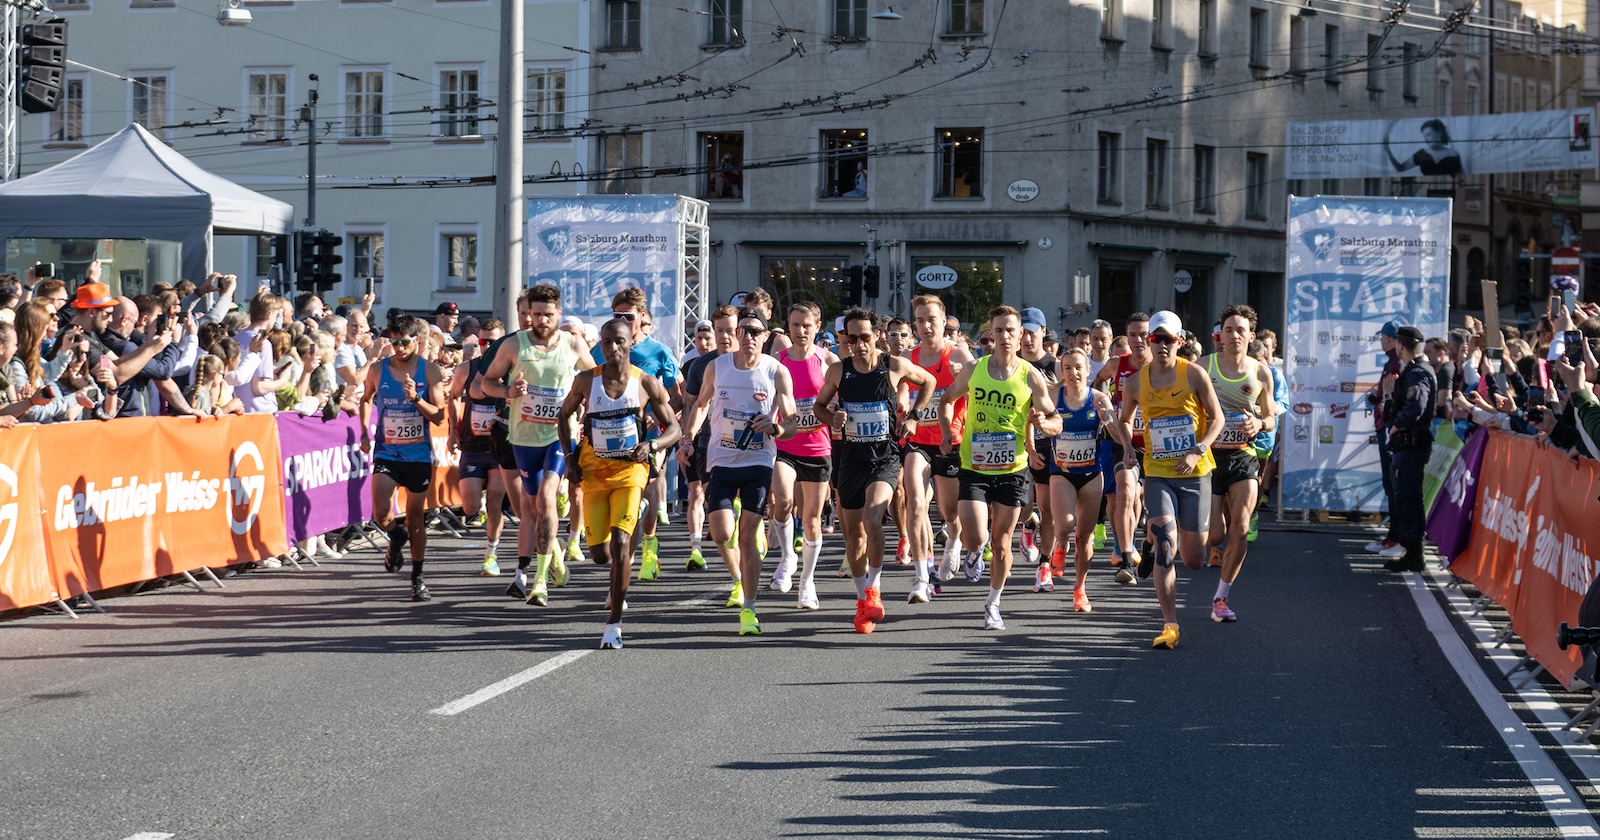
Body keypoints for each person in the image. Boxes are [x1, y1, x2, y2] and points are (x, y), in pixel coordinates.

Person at [558, 318, 682, 650]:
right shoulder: (586, 380)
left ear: (631, 343)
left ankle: (614, 624)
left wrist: (652, 445)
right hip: (594, 473)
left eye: (619, 342)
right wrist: (569, 457)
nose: (613, 348)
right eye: (607, 342)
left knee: (621, 544)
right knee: (600, 554)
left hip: (631, 472)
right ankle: (620, 558)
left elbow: (674, 429)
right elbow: (564, 415)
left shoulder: (646, 384)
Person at [813, 308, 936, 633]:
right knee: (853, 537)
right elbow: (818, 406)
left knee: (872, 519)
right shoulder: (839, 371)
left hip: (884, 457)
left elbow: (929, 381)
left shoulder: (892, 366)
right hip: (851, 459)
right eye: (851, 338)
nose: (858, 344)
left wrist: (914, 417)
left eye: (864, 337)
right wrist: (831, 418)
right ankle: (862, 602)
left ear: (876, 336)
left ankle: (874, 587)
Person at [939, 305, 1062, 631]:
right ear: (991, 334)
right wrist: (946, 431)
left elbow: (1055, 419)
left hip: (1012, 469)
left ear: (1021, 335)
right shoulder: (974, 369)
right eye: (999, 330)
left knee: (1002, 541)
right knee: (977, 537)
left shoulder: (1031, 376)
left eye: (1012, 330)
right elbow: (947, 399)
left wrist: (1043, 425)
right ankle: (973, 551)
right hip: (975, 466)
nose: (1005, 336)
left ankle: (993, 604)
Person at [681, 309, 799, 636]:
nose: (747, 336)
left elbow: (791, 423)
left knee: (747, 535)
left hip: (759, 462)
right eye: (743, 330)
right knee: (720, 533)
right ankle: (740, 562)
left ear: (765, 337)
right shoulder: (717, 367)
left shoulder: (777, 372)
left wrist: (775, 427)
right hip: (721, 460)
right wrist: (688, 438)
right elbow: (700, 405)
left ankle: (749, 607)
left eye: (754, 331)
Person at [477, 284, 594, 606]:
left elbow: (594, 378)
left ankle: (539, 582)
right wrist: (507, 393)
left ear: (558, 313)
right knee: (531, 506)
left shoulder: (573, 345)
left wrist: (582, 403)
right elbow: (487, 382)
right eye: (534, 314)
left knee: (546, 496)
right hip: (523, 437)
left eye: (547, 314)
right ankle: (553, 551)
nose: (540, 320)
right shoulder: (514, 345)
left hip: (559, 435)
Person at [1116, 310, 1224, 649]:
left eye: (1168, 339)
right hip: (1158, 473)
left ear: (1179, 342)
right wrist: (1127, 450)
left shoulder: (1194, 374)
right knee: (1166, 544)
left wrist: (1197, 449)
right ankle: (1170, 625)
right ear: (1148, 341)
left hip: (1196, 472)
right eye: (1155, 338)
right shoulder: (1135, 381)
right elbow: (1123, 420)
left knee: (1193, 558)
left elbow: (1218, 419)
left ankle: (1148, 542)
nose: (1161, 345)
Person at [592, 288, 681, 581]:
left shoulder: (658, 351)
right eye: (616, 315)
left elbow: (677, 397)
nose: (621, 321)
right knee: (619, 512)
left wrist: (656, 415)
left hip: (649, 435)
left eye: (627, 317)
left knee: (647, 490)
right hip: (608, 439)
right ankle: (632, 547)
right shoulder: (599, 349)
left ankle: (645, 549)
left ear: (642, 318)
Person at [359, 315, 448, 602]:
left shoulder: (430, 371)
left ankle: (417, 578)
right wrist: (363, 431)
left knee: (415, 519)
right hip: (387, 451)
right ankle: (395, 537)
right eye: (394, 342)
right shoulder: (377, 369)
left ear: (417, 342)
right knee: (380, 512)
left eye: (404, 342)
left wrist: (416, 399)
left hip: (418, 455)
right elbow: (365, 399)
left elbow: (439, 416)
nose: (399, 348)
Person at [1200, 304, 1277, 622]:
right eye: (1228, 330)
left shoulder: (1261, 372)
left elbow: (1271, 417)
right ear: (1220, 334)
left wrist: (1258, 423)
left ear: (1251, 336)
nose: (1233, 335)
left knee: (1241, 528)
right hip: (1209, 457)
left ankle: (1221, 598)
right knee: (1214, 536)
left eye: (1240, 330)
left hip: (1243, 456)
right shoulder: (1204, 366)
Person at [903, 295, 975, 599]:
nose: (926, 325)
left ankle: (954, 540)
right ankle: (921, 577)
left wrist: (965, 378)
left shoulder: (959, 355)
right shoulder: (908, 357)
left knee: (949, 512)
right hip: (917, 442)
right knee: (916, 503)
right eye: (920, 320)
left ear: (944, 322)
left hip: (950, 442)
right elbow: (898, 392)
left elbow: (977, 397)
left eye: (931, 319)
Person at [768, 302, 838, 608]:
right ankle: (787, 557)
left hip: (817, 447)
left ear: (817, 326)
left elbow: (839, 400)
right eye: (795, 325)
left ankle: (808, 582)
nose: (800, 331)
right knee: (782, 502)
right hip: (785, 445)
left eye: (806, 326)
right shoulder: (777, 360)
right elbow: (769, 399)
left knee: (811, 519)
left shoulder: (828, 361)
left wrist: (835, 412)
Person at [1046, 348, 1120, 611]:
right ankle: (1060, 545)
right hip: (1062, 472)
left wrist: (1106, 417)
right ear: (1062, 371)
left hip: (1091, 473)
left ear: (1088, 371)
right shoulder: (1054, 396)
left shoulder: (1099, 397)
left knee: (1084, 538)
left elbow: (1117, 434)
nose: (1073, 372)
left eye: (1078, 367)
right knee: (1065, 526)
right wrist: (1032, 449)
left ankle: (1080, 589)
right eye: (1067, 368)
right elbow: (1033, 423)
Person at [449, 333, 519, 576]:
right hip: (472, 446)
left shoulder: (511, 369)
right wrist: (453, 430)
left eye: (493, 342)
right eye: (483, 342)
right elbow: (453, 397)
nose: (488, 346)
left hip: (497, 445)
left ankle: (491, 555)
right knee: (470, 506)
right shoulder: (466, 369)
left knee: (495, 502)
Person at [678, 305, 739, 573]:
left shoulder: (761, 364)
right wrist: (686, 439)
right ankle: (701, 550)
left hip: (748, 446)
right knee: (702, 498)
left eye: (731, 330)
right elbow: (692, 405)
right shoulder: (700, 366)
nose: (725, 336)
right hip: (709, 443)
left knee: (744, 506)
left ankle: (749, 529)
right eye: (720, 330)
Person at [1095, 312, 1153, 584]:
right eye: (1133, 335)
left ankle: (1148, 545)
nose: (1139, 340)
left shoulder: (1165, 365)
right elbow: (1096, 385)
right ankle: (1127, 559)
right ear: (1127, 337)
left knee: (1150, 501)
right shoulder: (1117, 364)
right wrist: (1103, 405)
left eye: (1144, 334)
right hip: (1124, 439)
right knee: (1125, 491)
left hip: (1158, 444)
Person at [1378, 325, 1436, 572]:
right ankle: (1410, 552)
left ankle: (1414, 554)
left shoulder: (1418, 373)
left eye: (1397, 346)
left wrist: (1395, 425)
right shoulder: (1413, 371)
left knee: (1409, 499)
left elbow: (1415, 407)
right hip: (1406, 445)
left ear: (1401, 346)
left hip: (1410, 444)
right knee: (1403, 497)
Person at [1017, 307, 1059, 574]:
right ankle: (1028, 523)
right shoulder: (1009, 363)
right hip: (1013, 443)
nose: (1028, 339)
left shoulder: (1056, 366)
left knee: (1046, 507)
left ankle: (1045, 561)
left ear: (1043, 333)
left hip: (1047, 445)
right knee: (1021, 504)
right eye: (1023, 332)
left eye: (1033, 332)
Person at [1385, 118, 1463, 177]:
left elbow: (1461, 175)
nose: (1426, 140)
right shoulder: (1422, 154)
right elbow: (1400, 168)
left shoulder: (1454, 154)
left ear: (1439, 133)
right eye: (1424, 137)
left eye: (1428, 135)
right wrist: (1388, 150)